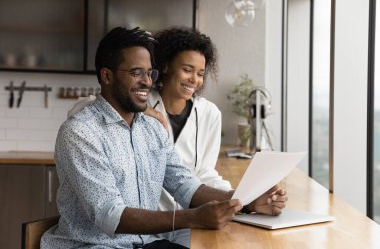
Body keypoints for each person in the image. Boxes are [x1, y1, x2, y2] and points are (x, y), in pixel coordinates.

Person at [42, 26, 287, 249]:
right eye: (136, 73)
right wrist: (192, 217)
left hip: (145, 244)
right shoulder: (80, 132)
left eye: (150, 73)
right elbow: (110, 214)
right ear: (107, 76)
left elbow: (186, 186)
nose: (147, 82)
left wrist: (249, 202)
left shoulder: (153, 128)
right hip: (93, 246)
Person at [144, 27, 231, 247]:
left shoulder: (209, 114)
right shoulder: (138, 104)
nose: (194, 79)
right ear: (165, 66)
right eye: (187, 69)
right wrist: (142, 110)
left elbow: (204, 173)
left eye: (200, 73)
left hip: (189, 224)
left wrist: (237, 198)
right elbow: (85, 107)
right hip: (146, 226)